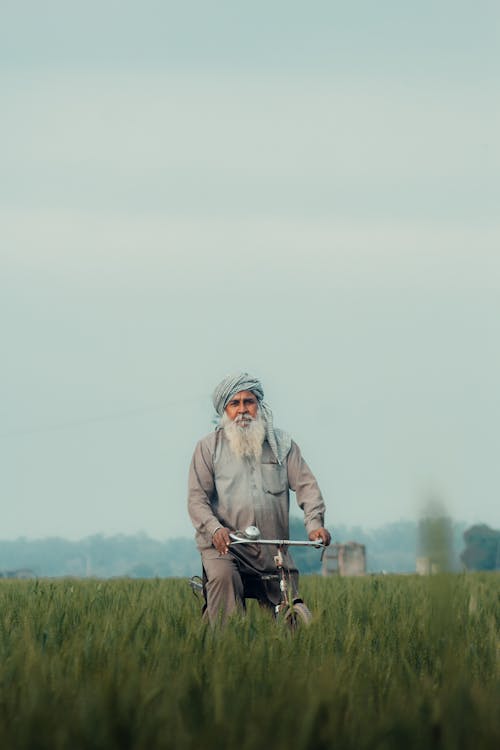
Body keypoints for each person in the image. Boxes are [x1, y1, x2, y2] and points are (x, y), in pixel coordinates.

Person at [187, 372, 331, 623]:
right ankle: (227, 649)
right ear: (225, 410)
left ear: (259, 405)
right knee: (224, 580)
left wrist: (315, 525)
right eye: (235, 403)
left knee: (289, 608)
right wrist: (214, 529)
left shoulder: (282, 445)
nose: (242, 410)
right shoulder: (208, 447)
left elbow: (307, 486)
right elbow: (197, 499)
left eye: (248, 402)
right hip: (226, 545)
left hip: (271, 546)